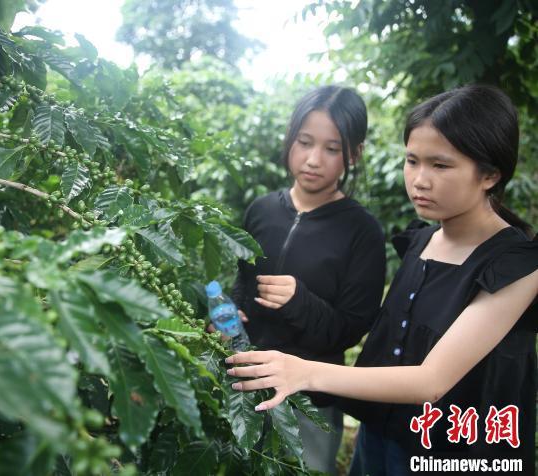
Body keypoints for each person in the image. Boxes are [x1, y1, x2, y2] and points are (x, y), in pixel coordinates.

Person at [225, 85, 538, 475]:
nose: (420, 180)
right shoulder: (420, 242)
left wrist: (303, 370)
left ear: (490, 174)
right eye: (412, 161)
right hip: (379, 441)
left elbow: (432, 381)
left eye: (440, 165)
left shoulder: (516, 266)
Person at [216, 85, 386, 475]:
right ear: (289, 140)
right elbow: (244, 283)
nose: (313, 160)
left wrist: (299, 302)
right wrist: (229, 313)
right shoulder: (261, 210)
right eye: (304, 142)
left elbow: (349, 330)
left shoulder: (362, 232)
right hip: (242, 386)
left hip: (309, 403)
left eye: (331, 148)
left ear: (353, 154)